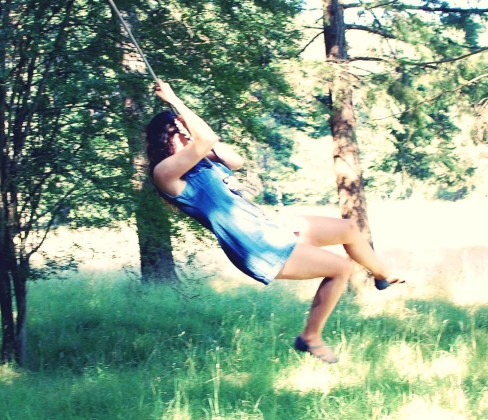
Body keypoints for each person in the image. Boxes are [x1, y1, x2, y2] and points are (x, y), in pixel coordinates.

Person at [146, 80, 402, 364]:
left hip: (268, 229)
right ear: (164, 141)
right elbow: (205, 139)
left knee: (348, 229)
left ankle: (382, 275)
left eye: (185, 133)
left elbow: (235, 158)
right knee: (340, 268)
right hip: (254, 245)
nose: (185, 139)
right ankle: (310, 337)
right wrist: (174, 101)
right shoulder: (166, 175)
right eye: (177, 134)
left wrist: (188, 126)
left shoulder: (205, 160)